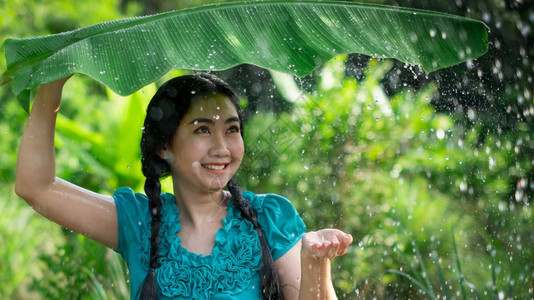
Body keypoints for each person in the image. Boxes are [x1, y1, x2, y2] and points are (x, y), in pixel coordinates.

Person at [15, 72, 353, 300]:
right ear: (165, 146)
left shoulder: (269, 218)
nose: (222, 147)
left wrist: (314, 260)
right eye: (202, 130)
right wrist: (50, 88)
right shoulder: (137, 221)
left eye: (232, 129)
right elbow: (36, 187)